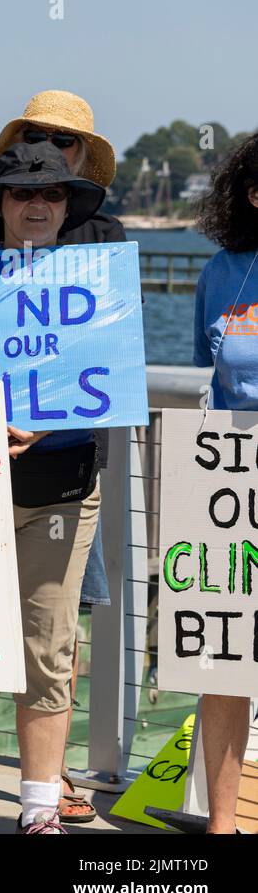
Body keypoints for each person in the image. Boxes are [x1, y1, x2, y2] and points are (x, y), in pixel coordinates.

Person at [0, 141, 108, 833]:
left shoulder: (98, 281)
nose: (38, 205)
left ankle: (39, 808)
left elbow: (113, 377)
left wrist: (43, 427)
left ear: (69, 204)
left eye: (52, 194)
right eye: (22, 194)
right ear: (2, 206)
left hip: (64, 488)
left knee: (47, 649)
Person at [192, 131, 258, 834]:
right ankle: (222, 824)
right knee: (224, 659)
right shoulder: (222, 271)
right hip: (230, 485)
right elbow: (195, 381)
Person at [0, 90, 124, 254]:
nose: (46, 146)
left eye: (63, 140)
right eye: (35, 137)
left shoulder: (103, 232)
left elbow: (123, 289)